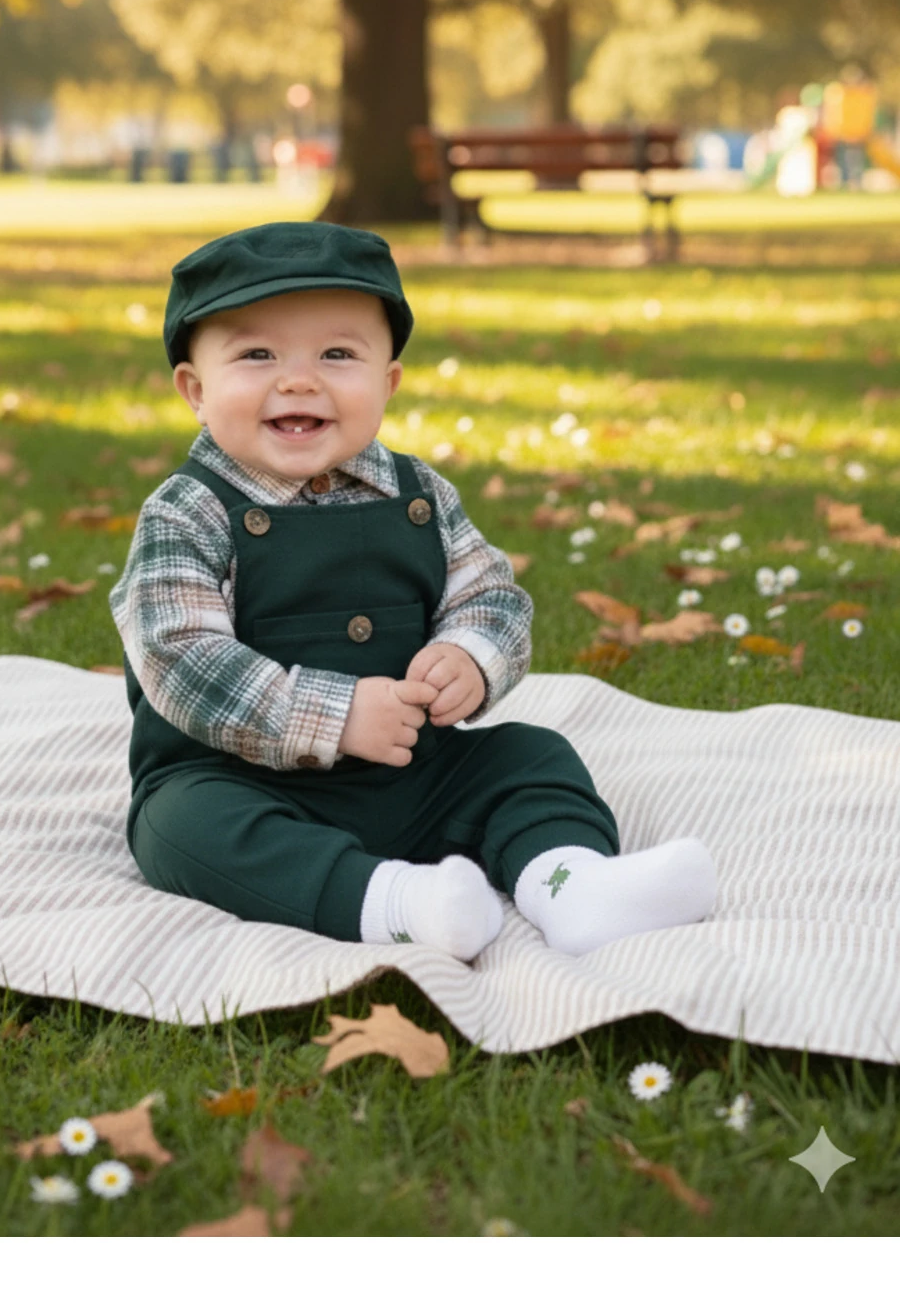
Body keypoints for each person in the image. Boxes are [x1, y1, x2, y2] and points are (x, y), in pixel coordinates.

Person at [109, 222, 717, 962]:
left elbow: (489, 595)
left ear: (387, 382)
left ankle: (572, 883)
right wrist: (331, 718)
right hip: (238, 776)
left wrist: (470, 655)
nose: (299, 380)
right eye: (257, 354)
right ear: (196, 392)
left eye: (338, 354)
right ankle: (394, 904)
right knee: (183, 829)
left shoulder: (418, 493)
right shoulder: (187, 512)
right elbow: (181, 659)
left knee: (530, 757)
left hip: (412, 771)